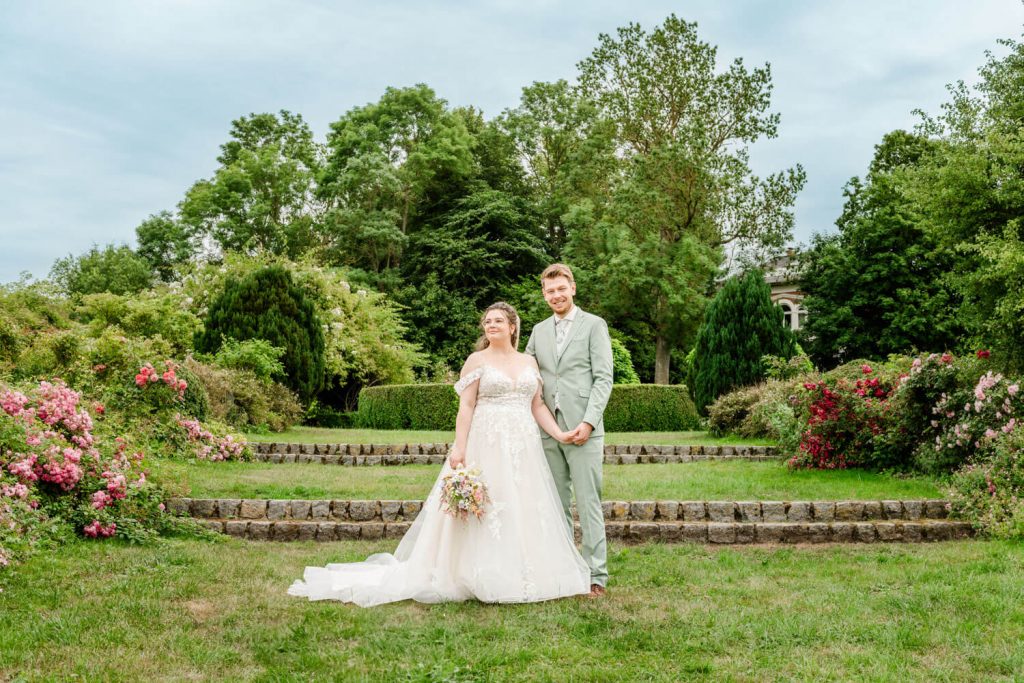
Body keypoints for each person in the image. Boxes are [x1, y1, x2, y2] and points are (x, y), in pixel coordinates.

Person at [288, 302, 591, 606]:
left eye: (498, 320)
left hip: (523, 446)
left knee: (522, 504)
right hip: (485, 442)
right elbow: (467, 406)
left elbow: (537, 405)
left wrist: (560, 433)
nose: (491, 325)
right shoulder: (476, 360)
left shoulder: (529, 362)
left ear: (513, 327)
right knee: (487, 503)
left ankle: (526, 572)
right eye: (487, 321)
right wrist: (459, 447)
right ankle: (470, 572)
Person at [525, 263, 613, 598]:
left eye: (561, 289)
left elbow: (604, 378)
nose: (556, 295)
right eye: (550, 291)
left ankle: (595, 575)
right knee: (556, 503)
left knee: (589, 502)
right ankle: (564, 569)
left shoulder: (594, 325)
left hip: (583, 427)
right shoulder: (538, 331)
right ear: (544, 294)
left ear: (572, 288)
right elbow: (529, 374)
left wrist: (589, 422)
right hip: (548, 429)